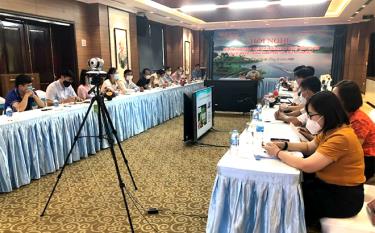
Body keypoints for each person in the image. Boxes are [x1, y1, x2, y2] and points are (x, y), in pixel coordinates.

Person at [264, 91, 365, 227]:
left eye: (312, 115)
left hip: (343, 197)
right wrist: (285, 145)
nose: (310, 119)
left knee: (291, 199)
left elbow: (307, 165)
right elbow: (309, 146)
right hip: (327, 186)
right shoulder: (331, 130)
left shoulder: (341, 137)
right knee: (289, 190)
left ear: (325, 113)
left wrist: (277, 153)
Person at [333, 80, 375, 181]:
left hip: (366, 159)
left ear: (345, 100)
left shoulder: (359, 120)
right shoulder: (345, 113)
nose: (331, 100)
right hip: (353, 155)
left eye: (335, 97)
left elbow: (352, 150)